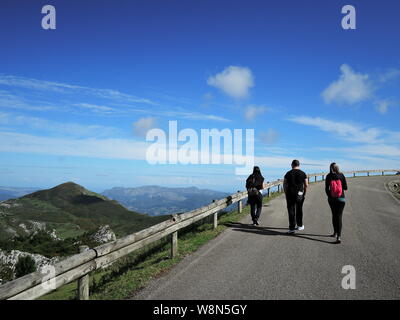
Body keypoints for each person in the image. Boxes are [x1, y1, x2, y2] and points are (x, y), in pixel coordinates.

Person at [283, 160, 308, 234]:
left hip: (290, 194)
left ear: (292, 165)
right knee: (299, 209)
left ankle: (291, 228)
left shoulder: (288, 173)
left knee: (291, 211)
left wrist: (286, 193)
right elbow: (306, 185)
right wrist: (304, 194)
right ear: (299, 165)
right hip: (300, 194)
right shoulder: (303, 173)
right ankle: (300, 225)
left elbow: (284, 184)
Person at [325, 163, 348, 244]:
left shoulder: (328, 176)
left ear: (330, 168)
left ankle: (335, 233)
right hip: (341, 199)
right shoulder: (341, 175)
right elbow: (345, 187)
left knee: (334, 215)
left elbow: (326, 189)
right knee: (339, 216)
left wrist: (330, 196)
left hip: (332, 199)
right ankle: (339, 236)